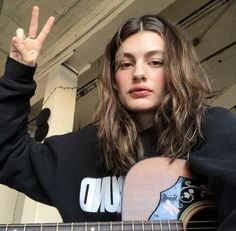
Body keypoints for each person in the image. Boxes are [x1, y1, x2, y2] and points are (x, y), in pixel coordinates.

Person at [0, 5, 235, 230]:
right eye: (125, 64)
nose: (139, 73)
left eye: (155, 62)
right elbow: (7, 153)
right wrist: (18, 74)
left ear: (177, 70)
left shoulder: (213, 128)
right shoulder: (79, 151)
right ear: (113, 78)